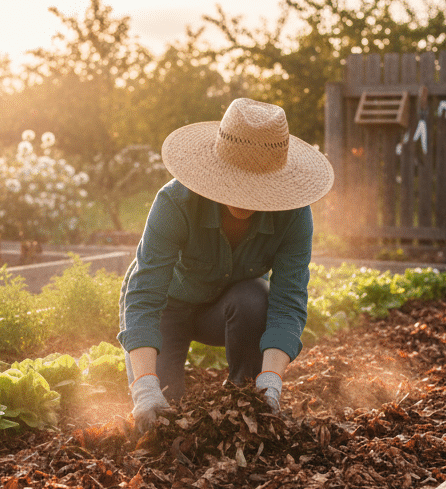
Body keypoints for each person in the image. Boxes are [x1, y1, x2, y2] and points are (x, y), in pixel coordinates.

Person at [117, 97, 335, 430]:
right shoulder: (176, 202)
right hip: (168, 308)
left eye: (256, 187)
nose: (243, 198)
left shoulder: (293, 216)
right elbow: (145, 296)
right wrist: (144, 386)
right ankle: (156, 388)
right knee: (164, 412)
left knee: (253, 298)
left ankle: (244, 391)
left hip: (228, 310)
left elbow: (288, 302)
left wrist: (271, 380)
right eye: (235, 182)